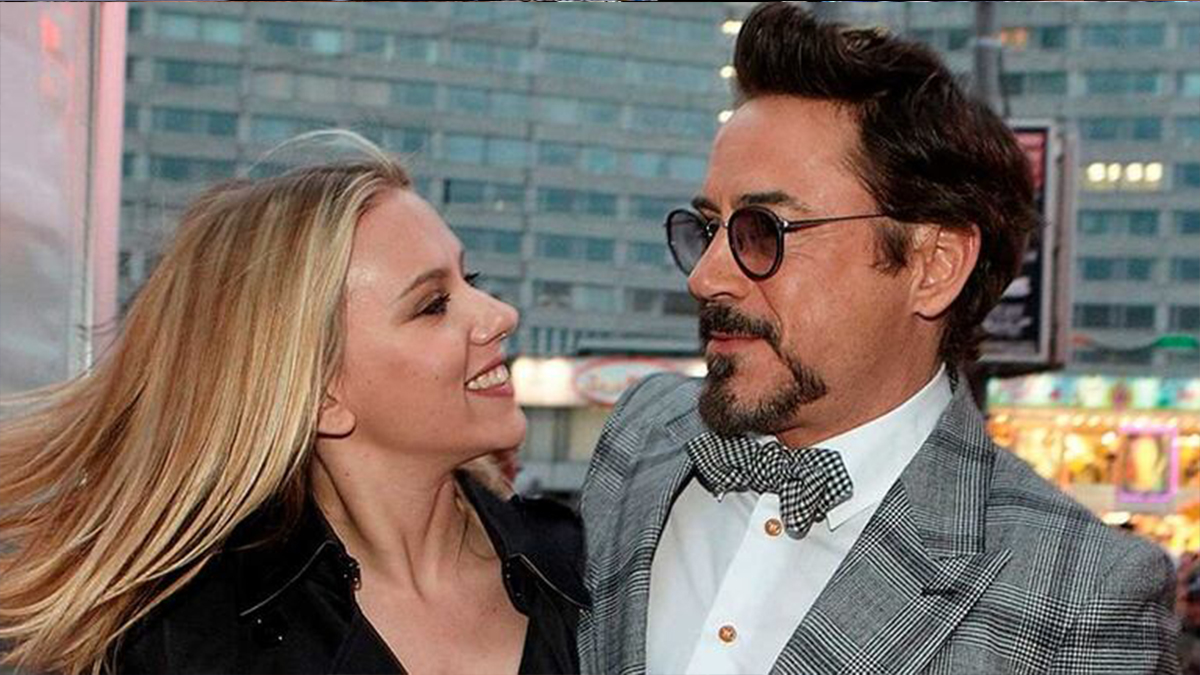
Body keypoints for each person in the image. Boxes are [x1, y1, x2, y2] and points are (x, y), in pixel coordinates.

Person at [578, 4, 1179, 674]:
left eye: (763, 231)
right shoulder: (644, 434)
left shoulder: (1083, 596)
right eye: (708, 227)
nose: (705, 276)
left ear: (932, 265)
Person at [0, 131, 586, 675]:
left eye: (469, 279)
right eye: (433, 305)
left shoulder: (591, 573)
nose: (501, 314)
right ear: (324, 394)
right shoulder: (182, 640)